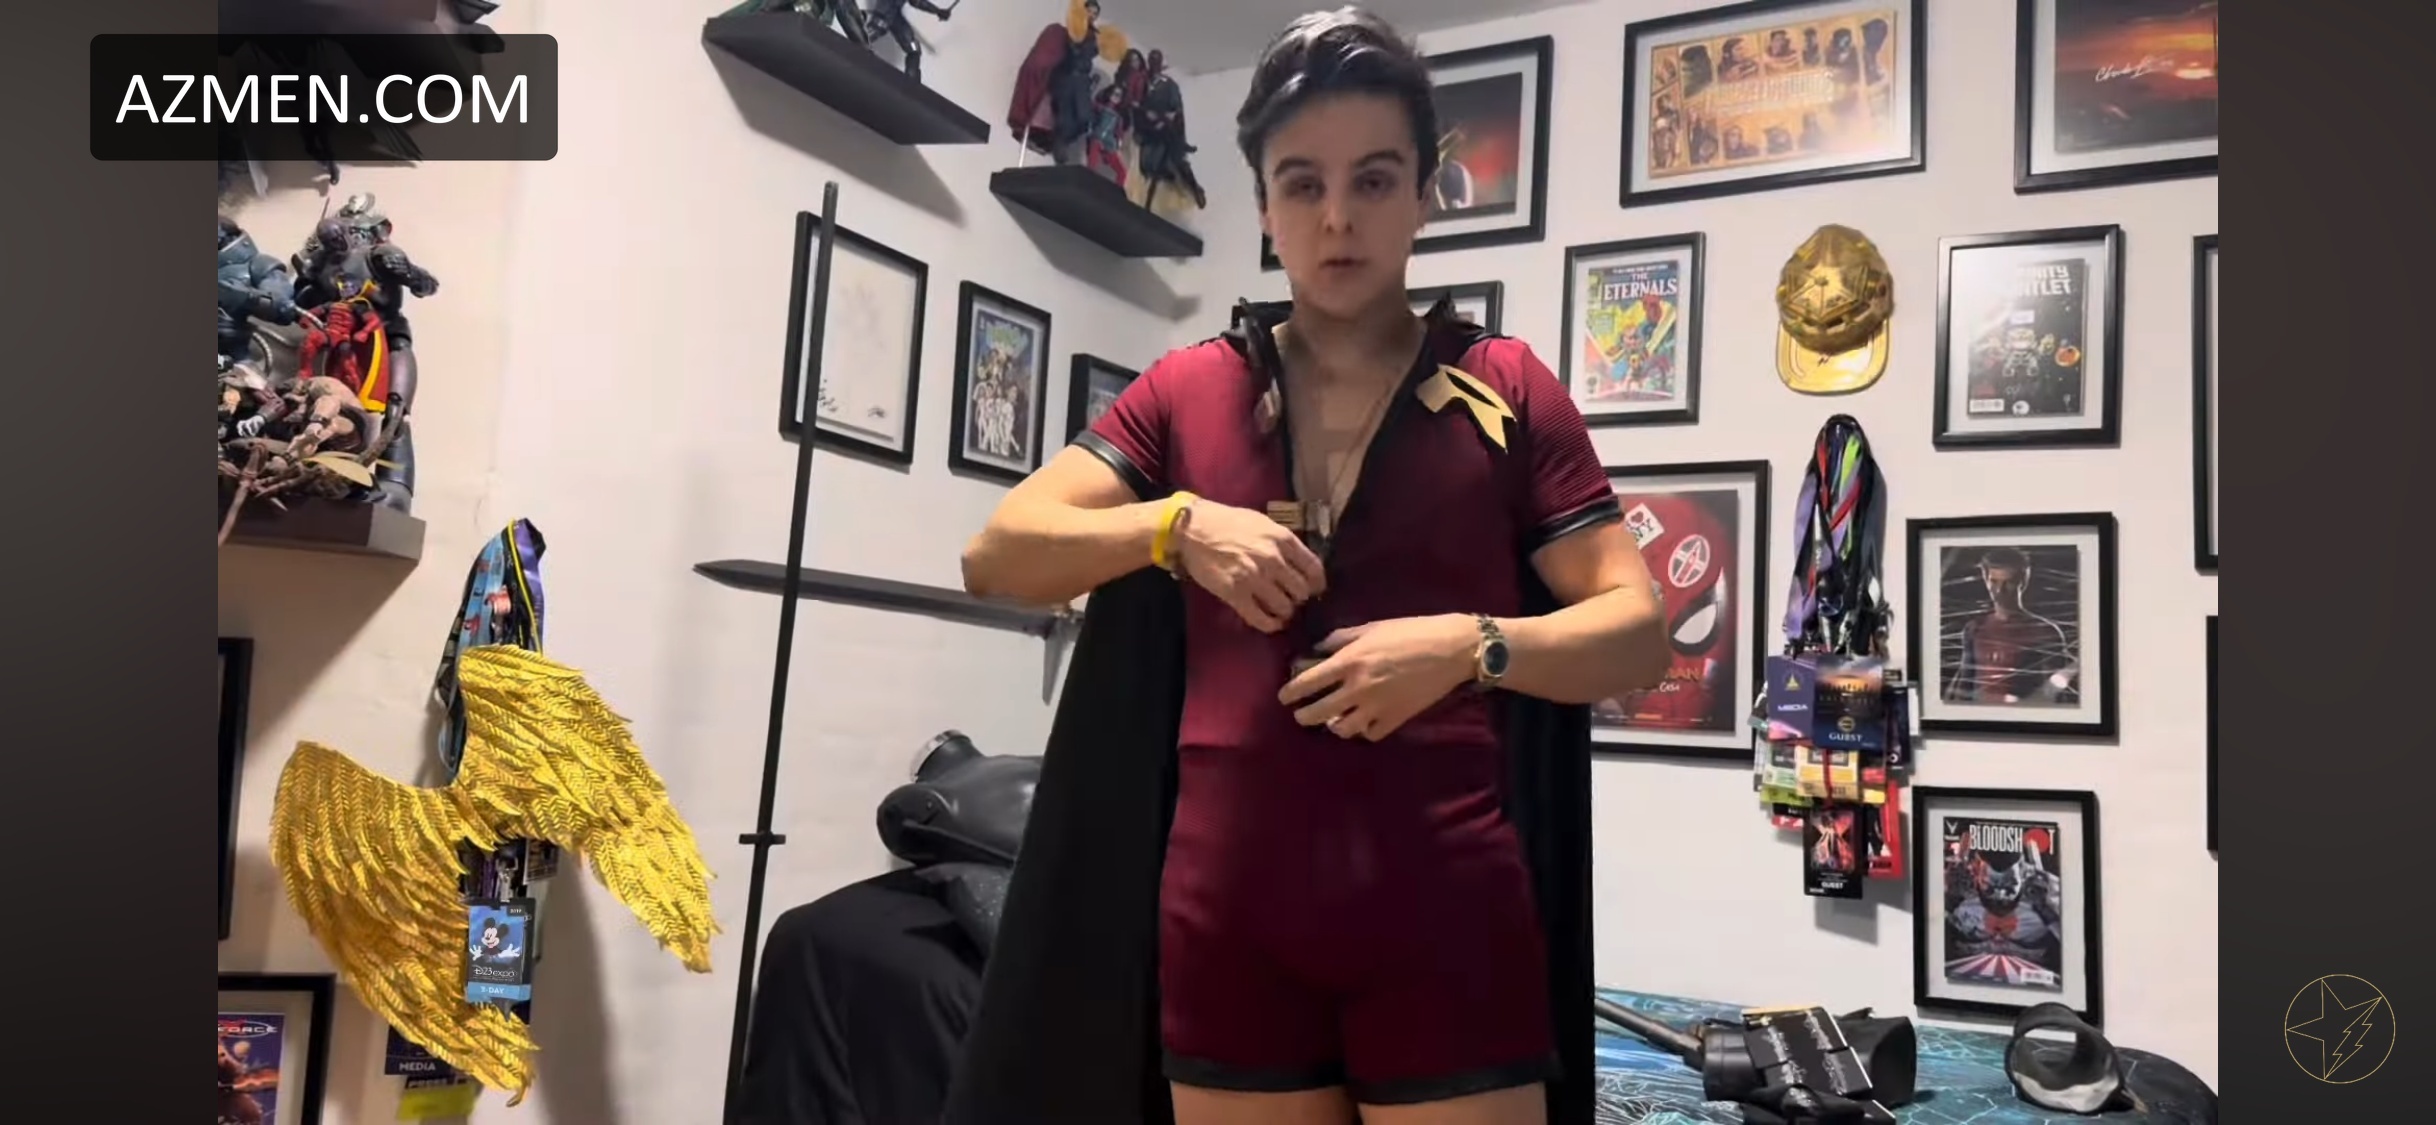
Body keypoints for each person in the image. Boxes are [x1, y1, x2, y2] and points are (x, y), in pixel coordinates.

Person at [955, 8, 1670, 1125]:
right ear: (1263, 206)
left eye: (1374, 181)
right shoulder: (1185, 391)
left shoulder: (1508, 388)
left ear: (1425, 194)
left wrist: (1470, 647)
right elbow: (997, 555)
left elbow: (1638, 633)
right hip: (1228, 930)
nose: (1337, 218)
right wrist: (1174, 526)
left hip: (1446, 925)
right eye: (1303, 184)